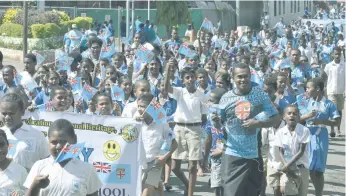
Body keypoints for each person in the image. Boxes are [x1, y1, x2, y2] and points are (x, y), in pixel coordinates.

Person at [217, 63, 280, 196]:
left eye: (246, 76)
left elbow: (276, 118)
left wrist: (257, 123)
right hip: (232, 153)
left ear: (250, 76)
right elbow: (219, 126)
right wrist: (216, 127)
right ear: (233, 78)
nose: (243, 79)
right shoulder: (226, 98)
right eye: (239, 76)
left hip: (253, 155)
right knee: (230, 193)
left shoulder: (259, 95)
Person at [23, 119, 102, 196]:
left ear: (74, 139)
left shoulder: (87, 169)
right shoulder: (39, 166)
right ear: (48, 141)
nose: (59, 146)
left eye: (64, 142)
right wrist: (35, 186)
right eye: (54, 142)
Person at [164, 59, 208, 196]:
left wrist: (197, 128)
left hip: (194, 130)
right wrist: (167, 69)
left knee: (192, 165)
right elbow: (166, 88)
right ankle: (188, 184)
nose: (190, 79)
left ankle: (190, 193)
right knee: (175, 167)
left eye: (192, 77)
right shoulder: (180, 92)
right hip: (179, 129)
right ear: (183, 80)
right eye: (187, 78)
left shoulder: (202, 96)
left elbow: (205, 117)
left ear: (195, 78)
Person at [298, 77, 340, 196]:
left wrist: (322, 121)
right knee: (310, 167)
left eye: (308, 87)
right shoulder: (306, 101)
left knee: (319, 170)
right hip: (307, 135)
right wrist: (307, 116)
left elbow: (336, 121)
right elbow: (298, 118)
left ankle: (318, 193)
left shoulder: (328, 104)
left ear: (317, 89)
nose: (306, 90)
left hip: (321, 136)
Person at [134, 93, 178, 196]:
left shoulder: (162, 123)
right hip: (140, 162)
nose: (139, 109)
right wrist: (133, 123)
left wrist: (165, 157)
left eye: (143, 106)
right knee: (148, 186)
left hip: (156, 163)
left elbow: (174, 144)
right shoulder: (135, 123)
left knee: (146, 193)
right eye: (138, 106)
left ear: (151, 108)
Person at [0, 93, 50, 171]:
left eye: (11, 113)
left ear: (22, 112)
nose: (7, 117)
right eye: (4, 113)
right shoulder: (1, 133)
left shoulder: (37, 135)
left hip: (29, 182)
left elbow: (46, 162)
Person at [274, 105, 310, 196]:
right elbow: (280, 151)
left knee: (302, 193)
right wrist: (286, 166)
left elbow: (301, 151)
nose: (292, 115)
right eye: (289, 113)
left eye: (295, 114)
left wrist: (288, 164)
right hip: (288, 169)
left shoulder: (304, 130)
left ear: (298, 117)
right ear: (284, 116)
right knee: (286, 191)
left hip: (301, 168)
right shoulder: (280, 132)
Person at [203, 88, 227, 196]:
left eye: (211, 101)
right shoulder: (210, 118)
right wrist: (206, 158)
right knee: (216, 185)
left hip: (228, 156)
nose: (209, 103)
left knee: (226, 185)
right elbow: (208, 139)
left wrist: (222, 150)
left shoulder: (228, 118)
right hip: (215, 158)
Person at [0, 129, 28, 196]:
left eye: (2, 144)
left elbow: (29, 192)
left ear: (8, 144)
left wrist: (21, 194)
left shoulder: (20, 171)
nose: (0, 150)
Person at [324, 48, 345, 137]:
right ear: (333, 54)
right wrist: (323, 88)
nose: (337, 55)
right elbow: (325, 78)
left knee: (339, 111)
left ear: (341, 54)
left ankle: (338, 129)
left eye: (339, 54)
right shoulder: (328, 66)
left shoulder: (344, 65)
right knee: (332, 110)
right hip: (331, 91)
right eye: (336, 54)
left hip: (341, 91)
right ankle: (332, 129)